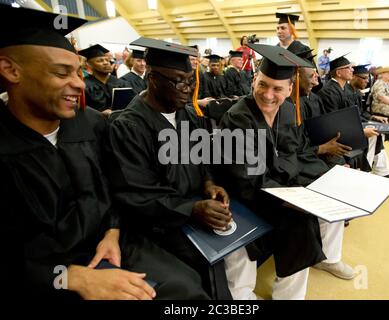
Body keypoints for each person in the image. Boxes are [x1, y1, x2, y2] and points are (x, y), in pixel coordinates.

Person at [0, 4, 208, 300]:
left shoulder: (93, 124)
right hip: (40, 272)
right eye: (61, 73)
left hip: (110, 243)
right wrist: (69, 276)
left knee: (185, 286)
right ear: (10, 70)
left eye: (76, 71)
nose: (76, 83)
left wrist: (112, 232)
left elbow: (114, 191)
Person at [104, 37, 249, 300]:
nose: (187, 88)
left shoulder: (188, 114)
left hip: (193, 209)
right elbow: (137, 195)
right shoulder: (129, 127)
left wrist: (208, 184)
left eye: (191, 80)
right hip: (158, 225)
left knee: (245, 240)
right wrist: (191, 209)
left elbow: (201, 159)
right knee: (198, 277)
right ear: (152, 77)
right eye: (178, 81)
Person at [219, 44, 355, 300]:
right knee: (299, 222)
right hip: (246, 192)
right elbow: (249, 179)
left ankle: (316, 270)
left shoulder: (288, 112)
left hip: (282, 184)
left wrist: (328, 175)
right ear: (254, 81)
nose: (268, 95)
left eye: (277, 88)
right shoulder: (238, 119)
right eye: (262, 85)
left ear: (290, 89)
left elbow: (299, 152)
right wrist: (292, 199)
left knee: (333, 194)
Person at [79, 44, 131, 115]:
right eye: (100, 61)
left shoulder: (122, 83)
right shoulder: (84, 86)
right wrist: (99, 114)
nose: (106, 63)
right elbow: (80, 111)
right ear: (89, 65)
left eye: (107, 60)